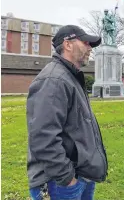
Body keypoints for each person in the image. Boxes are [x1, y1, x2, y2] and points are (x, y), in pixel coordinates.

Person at [27, 25, 108, 200]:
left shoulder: (70, 77)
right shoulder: (54, 80)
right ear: (68, 44)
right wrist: (67, 178)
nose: (90, 49)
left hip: (79, 177)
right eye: (86, 43)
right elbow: (43, 137)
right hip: (59, 184)